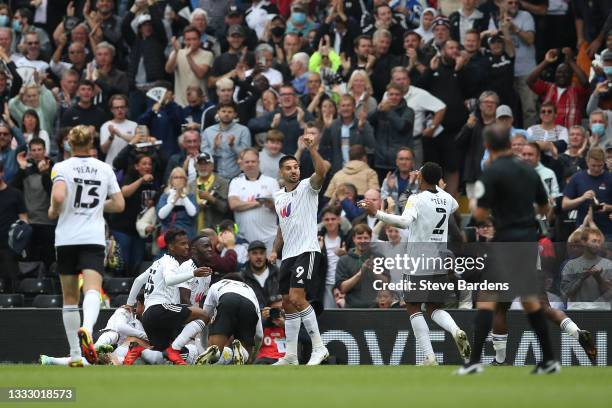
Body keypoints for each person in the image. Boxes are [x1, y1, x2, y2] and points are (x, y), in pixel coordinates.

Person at [457, 124, 560, 375]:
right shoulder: (529, 170)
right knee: (530, 302)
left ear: (487, 146)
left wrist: (475, 205)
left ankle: (474, 363)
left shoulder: (490, 173)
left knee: (487, 300)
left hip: (504, 241)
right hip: (527, 240)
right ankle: (548, 360)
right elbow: (546, 208)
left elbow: (480, 214)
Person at [360, 162, 471, 365]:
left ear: (422, 178)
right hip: (438, 258)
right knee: (434, 307)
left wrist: (377, 213)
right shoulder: (448, 199)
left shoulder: (416, 199)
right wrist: (435, 186)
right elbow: (453, 205)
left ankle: (429, 357)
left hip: (418, 259)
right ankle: (455, 330)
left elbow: (403, 222)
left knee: (412, 306)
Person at [48, 125, 125, 367]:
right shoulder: (104, 168)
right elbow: (119, 204)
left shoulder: (61, 167)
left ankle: (74, 354)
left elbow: (59, 197)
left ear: (69, 144)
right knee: (92, 289)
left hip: (67, 238)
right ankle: (88, 327)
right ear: (92, 142)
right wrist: (97, 206)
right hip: (92, 237)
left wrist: (53, 209)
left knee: (70, 298)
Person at [271, 129, 331, 366]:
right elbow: (282, 226)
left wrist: (311, 148)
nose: (294, 170)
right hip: (287, 255)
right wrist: (275, 249)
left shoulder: (309, 186)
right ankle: (291, 355)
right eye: (289, 168)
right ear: (281, 172)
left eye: (296, 167)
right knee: (286, 302)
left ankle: (319, 347)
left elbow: (322, 171)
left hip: (307, 250)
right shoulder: (278, 197)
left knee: (297, 297)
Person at [128, 232, 213, 365]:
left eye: (187, 243)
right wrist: (193, 273)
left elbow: (138, 280)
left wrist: (129, 303)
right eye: (182, 244)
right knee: (204, 316)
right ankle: (175, 349)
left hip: (150, 315)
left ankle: (139, 349)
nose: (187, 247)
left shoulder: (158, 262)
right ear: (172, 247)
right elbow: (169, 280)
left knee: (161, 351)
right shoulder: (171, 262)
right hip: (160, 309)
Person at [194, 273, 263, 365]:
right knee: (245, 357)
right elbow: (259, 335)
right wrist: (253, 355)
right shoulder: (250, 290)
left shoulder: (217, 285)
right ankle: (242, 353)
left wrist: (204, 345)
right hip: (249, 305)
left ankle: (214, 351)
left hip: (227, 300)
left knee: (215, 349)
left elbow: (204, 317)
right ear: (242, 283)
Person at [108, 154, 158, 276]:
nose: (147, 166)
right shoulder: (130, 177)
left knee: (137, 263)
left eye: (149, 164)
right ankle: (118, 288)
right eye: (144, 163)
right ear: (136, 166)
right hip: (122, 227)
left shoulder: (154, 180)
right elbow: (124, 193)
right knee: (122, 261)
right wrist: (141, 180)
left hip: (139, 230)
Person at [12, 138, 54, 269]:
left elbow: (54, 193)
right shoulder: (25, 170)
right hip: (29, 223)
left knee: (49, 261)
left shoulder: (54, 168)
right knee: (30, 261)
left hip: (48, 222)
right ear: (29, 152)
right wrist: (21, 168)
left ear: (45, 151)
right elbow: (13, 191)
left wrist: (45, 174)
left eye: (39, 149)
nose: (36, 153)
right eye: (33, 150)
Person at [228, 148, 280, 251]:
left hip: (270, 238)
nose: (250, 164)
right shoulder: (236, 182)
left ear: (258, 162)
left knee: (273, 266)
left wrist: (270, 204)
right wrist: (259, 202)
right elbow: (233, 205)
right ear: (242, 164)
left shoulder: (271, 182)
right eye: (247, 162)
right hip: (244, 239)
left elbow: (280, 207)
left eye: (253, 161)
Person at [562, 148, 612, 239]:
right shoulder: (577, 178)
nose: (596, 169)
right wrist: (582, 198)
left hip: (607, 231)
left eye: (600, 165)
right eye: (593, 165)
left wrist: (608, 207)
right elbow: (565, 204)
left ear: (604, 162)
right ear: (587, 162)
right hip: (584, 230)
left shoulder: (610, 178)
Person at [561, 227, 612, 310]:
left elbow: (609, 294)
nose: (597, 244)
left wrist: (598, 278)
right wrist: (582, 277)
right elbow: (566, 292)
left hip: (601, 310)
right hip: (577, 310)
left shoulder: (608, 264)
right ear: (584, 242)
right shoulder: (571, 265)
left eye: (599, 242)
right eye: (594, 241)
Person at [201, 101, 251, 180]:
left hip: (238, 177)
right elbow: (203, 156)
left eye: (230, 112)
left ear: (235, 114)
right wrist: (214, 147)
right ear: (218, 113)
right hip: (214, 177)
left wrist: (233, 146)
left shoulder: (243, 130)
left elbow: (247, 155)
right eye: (223, 111)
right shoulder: (208, 131)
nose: (226, 114)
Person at [165, 26, 213, 107]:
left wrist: (188, 56)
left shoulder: (207, 54)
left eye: (194, 39)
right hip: (180, 103)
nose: (191, 42)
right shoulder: (177, 53)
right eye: (188, 39)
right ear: (184, 40)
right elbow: (168, 70)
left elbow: (200, 74)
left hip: (200, 102)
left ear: (200, 40)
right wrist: (176, 52)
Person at [0, 160, 27, 293]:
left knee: (11, 282)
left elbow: (24, 220)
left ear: (2, 173)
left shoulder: (15, 194)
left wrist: (20, 243)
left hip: (9, 247)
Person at [191, 152, 229, 232]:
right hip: (194, 231)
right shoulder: (191, 185)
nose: (203, 167)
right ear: (196, 167)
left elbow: (226, 208)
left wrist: (211, 199)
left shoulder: (222, 182)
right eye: (200, 164)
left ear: (212, 166)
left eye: (206, 164)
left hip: (215, 231)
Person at [157, 167, 198, 239]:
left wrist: (183, 196)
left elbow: (193, 213)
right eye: (176, 177)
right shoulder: (165, 196)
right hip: (169, 237)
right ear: (171, 180)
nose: (178, 180)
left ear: (185, 180)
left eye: (181, 177)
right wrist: (174, 199)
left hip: (186, 236)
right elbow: (161, 215)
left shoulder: (190, 196)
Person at [240, 240, 281, 308]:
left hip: (276, 316)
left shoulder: (278, 274)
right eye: (254, 253)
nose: (258, 256)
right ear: (248, 255)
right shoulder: (242, 278)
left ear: (266, 254)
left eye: (261, 253)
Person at [100, 95, 137, 166]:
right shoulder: (105, 126)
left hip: (129, 166)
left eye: (122, 107)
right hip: (111, 165)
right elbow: (104, 150)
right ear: (111, 110)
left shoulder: (134, 125)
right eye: (116, 108)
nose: (120, 110)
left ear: (127, 109)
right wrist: (111, 136)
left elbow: (136, 142)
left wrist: (120, 134)